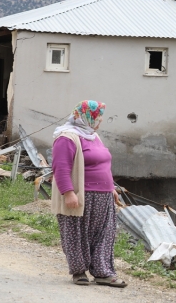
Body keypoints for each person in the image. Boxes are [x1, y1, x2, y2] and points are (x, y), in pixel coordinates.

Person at [50, 100, 127, 287]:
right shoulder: (66, 138)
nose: (99, 122)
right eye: (97, 118)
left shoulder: (93, 136)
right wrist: (68, 193)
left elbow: (104, 165)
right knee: (76, 234)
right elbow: (60, 168)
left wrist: (111, 189)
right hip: (80, 195)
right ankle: (78, 272)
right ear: (85, 117)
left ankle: (103, 272)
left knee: (104, 234)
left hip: (103, 195)